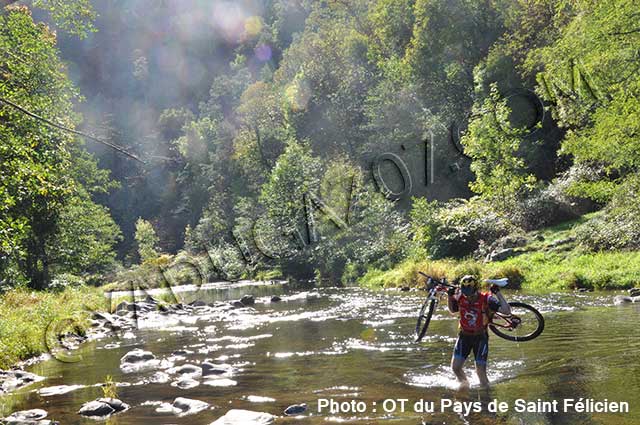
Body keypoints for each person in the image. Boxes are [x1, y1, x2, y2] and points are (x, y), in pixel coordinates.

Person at [447, 274, 511, 389]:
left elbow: (506, 311)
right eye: (465, 293)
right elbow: (453, 310)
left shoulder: (486, 299)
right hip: (464, 336)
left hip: (480, 338)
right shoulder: (461, 297)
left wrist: (498, 293)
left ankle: (486, 398)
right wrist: (450, 296)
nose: (468, 296)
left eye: (470, 293)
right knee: (456, 368)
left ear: (476, 289)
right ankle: (465, 386)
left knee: (480, 372)